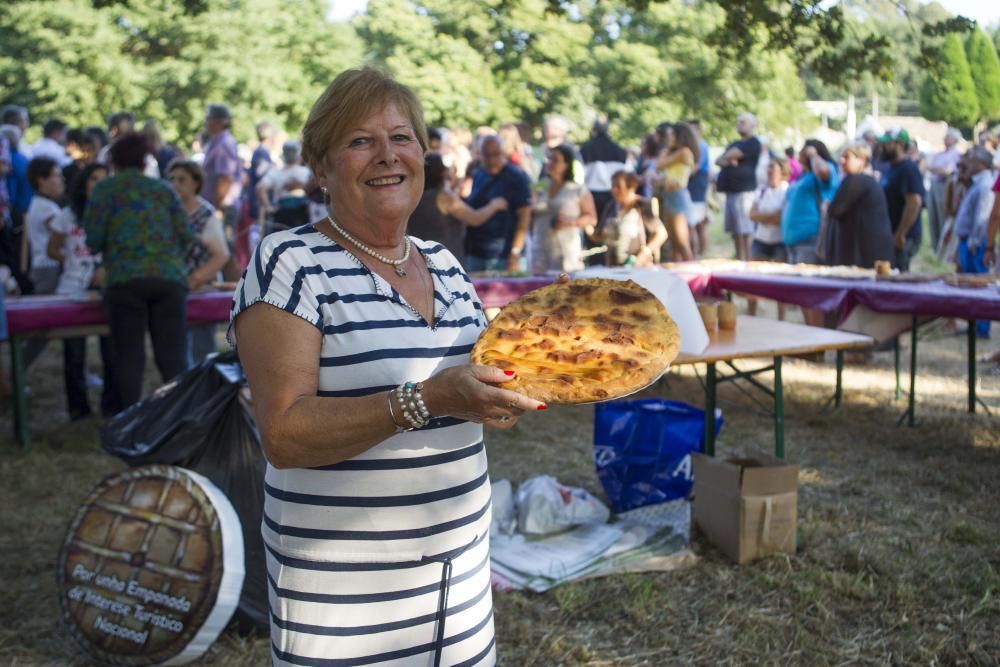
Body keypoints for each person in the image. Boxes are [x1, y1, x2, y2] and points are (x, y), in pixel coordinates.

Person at [231, 67, 541, 666]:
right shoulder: (289, 261)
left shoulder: (445, 264)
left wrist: (522, 378)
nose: (386, 156)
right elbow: (283, 434)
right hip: (345, 589)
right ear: (321, 168)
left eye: (401, 137)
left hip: (461, 569)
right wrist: (429, 399)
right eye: (359, 141)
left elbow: (482, 384)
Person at [83, 133, 193, 413]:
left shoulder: (105, 190)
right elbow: (187, 233)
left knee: (129, 357)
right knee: (173, 357)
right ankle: (185, 423)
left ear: (114, 161)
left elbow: (93, 239)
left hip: (124, 279)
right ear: (145, 160)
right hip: (169, 278)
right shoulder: (163, 189)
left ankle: (131, 425)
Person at [49, 163, 118, 419]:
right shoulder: (66, 215)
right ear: (83, 184)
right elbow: (51, 249)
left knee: (111, 353)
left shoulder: (115, 213)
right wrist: (71, 260)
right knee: (74, 355)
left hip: (107, 292)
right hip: (71, 289)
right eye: (93, 179)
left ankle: (112, 406)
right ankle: (78, 409)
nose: (98, 184)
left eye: (104, 179)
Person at [166, 159, 230, 364]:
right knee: (177, 346)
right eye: (172, 179)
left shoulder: (206, 213)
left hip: (202, 287)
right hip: (175, 288)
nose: (176, 184)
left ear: (195, 182)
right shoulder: (167, 212)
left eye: (182, 179)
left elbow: (221, 255)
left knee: (202, 349)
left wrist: (194, 280)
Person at [406, 152, 508, 265]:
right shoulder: (444, 196)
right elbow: (474, 218)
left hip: (420, 260)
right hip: (446, 261)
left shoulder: (412, 196)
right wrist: (493, 206)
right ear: (441, 172)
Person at [464, 134, 532, 272]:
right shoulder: (478, 173)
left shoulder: (516, 176)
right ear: (480, 154)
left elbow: (524, 216)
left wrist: (515, 252)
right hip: (477, 251)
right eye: (487, 155)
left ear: (503, 153)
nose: (491, 159)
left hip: (503, 254)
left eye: (495, 154)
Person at [530, 143, 597, 273]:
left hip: (566, 254)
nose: (550, 162)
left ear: (566, 164)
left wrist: (570, 222)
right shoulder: (540, 187)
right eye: (549, 158)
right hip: (540, 251)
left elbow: (592, 218)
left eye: (555, 159)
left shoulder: (577, 189)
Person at [825, 142, 894, 268]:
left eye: (847, 157)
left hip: (864, 256)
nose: (842, 161)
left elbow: (834, 209)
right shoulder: (864, 180)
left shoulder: (858, 180)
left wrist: (826, 206)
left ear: (861, 160)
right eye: (842, 157)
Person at [952, 146, 995, 339]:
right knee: (971, 286)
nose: (967, 164)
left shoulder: (985, 184)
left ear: (981, 163)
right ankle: (973, 325)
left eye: (971, 160)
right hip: (969, 242)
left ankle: (981, 328)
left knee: (979, 286)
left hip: (975, 244)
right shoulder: (975, 183)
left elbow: (982, 218)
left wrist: (975, 242)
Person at [200, 104, 243, 278]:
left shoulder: (223, 143)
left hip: (222, 206)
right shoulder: (216, 141)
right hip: (218, 205)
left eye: (208, 119)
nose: (205, 123)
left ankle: (236, 294)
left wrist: (217, 207)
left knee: (225, 252)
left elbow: (224, 178)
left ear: (218, 122)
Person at [780, 140, 838, 266]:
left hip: (809, 239)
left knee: (804, 283)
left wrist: (813, 154)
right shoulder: (803, 176)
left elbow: (823, 171)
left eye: (803, 150)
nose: (800, 153)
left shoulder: (823, 172)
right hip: (791, 240)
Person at [593, 170, 665, 266]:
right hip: (612, 267)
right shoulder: (611, 206)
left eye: (618, 186)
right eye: (613, 186)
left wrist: (644, 253)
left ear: (630, 187)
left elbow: (661, 234)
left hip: (636, 266)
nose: (614, 190)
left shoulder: (641, 205)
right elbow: (598, 236)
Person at [716, 112, 762, 260]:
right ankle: (739, 261)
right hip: (731, 192)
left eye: (743, 122)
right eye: (738, 122)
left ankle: (748, 262)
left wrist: (730, 158)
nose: (739, 125)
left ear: (752, 125)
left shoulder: (753, 142)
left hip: (744, 193)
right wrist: (729, 158)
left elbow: (729, 156)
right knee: (736, 232)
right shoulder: (735, 143)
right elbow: (720, 160)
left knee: (746, 231)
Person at [747, 156, 789, 319]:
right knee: (753, 280)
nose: (770, 170)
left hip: (779, 241)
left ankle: (782, 317)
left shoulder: (786, 190)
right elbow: (752, 214)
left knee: (780, 282)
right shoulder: (762, 190)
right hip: (761, 240)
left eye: (773, 167)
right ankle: (752, 314)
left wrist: (762, 216)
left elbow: (780, 218)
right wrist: (769, 217)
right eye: (768, 167)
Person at [879, 128, 925, 271]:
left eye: (886, 144)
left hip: (904, 237)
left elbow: (914, 203)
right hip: (891, 232)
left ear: (899, 144)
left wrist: (901, 234)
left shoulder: (908, 169)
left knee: (899, 276)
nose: (882, 148)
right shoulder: (891, 167)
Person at [657, 122, 698, 261]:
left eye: (673, 134)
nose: (670, 137)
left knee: (682, 243)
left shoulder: (684, 152)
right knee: (673, 243)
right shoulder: (675, 153)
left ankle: (695, 278)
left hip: (678, 196)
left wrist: (665, 152)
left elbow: (659, 165)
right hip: (669, 195)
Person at [255, 140, 312, 236]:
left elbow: (260, 188)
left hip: (281, 214)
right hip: (303, 215)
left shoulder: (276, 172)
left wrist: (269, 208)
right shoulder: (306, 172)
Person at [926, 128, 964, 251]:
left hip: (944, 186)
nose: (945, 139)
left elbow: (947, 171)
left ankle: (944, 247)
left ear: (954, 140)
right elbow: (929, 167)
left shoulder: (956, 154)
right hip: (934, 184)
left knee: (943, 217)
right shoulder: (940, 153)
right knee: (932, 217)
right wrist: (936, 169)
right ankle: (936, 247)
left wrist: (935, 169)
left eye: (948, 137)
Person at [686, 119, 711, 257]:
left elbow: (695, 168)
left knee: (698, 221)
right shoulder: (693, 147)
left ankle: (701, 253)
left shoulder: (701, 146)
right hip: (693, 184)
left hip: (697, 184)